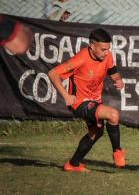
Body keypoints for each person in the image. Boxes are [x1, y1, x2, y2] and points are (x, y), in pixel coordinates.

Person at [48, 28, 125, 172]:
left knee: (97, 132)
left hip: (95, 101)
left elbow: (114, 73)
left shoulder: (107, 56)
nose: (106, 52)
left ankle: (73, 164)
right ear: (92, 46)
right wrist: (66, 96)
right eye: (103, 49)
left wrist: (119, 81)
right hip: (79, 103)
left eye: (108, 49)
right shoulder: (81, 58)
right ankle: (117, 151)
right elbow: (52, 73)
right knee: (113, 115)